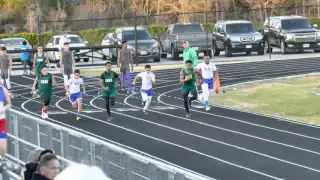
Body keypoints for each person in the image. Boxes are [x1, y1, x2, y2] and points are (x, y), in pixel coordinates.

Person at [0, 79, 11, 158]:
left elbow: (9, 104)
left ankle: (2, 161)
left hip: (1, 121)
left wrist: (3, 109)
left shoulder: (3, 90)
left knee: (3, 148)